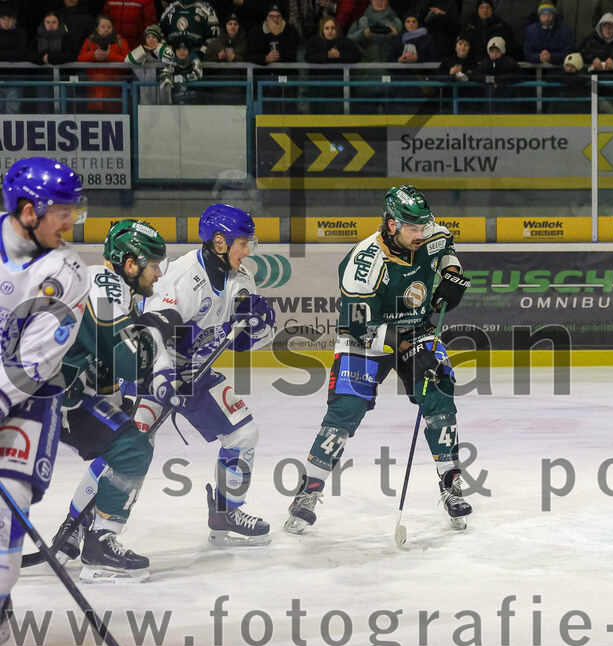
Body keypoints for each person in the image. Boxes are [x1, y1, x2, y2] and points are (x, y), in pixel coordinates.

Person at [284, 185, 473, 535]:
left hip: (416, 328)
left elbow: (447, 251)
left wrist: (451, 276)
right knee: (345, 410)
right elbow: (360, 325)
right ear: (391, 225)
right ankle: (308, 491)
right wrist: (406, 350)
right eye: (413, 228)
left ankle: (451, 482)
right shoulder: (363, 263)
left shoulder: (433, 235)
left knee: (439, 389)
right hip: (367, 337)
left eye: (424, 226)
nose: (421, 233)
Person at [129, 203, 275, 545]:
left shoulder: (242, 278)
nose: (248, 250)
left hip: (195, 372)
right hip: (150, 371)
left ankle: (225, 514)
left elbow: (241, 344)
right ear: (220, 242)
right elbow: (153, 332)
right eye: (243, 243)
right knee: (129, 448)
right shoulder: (181, 276)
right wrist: (164, 378)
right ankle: (86, 526)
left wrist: (257, 327)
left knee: (243, 434)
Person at [0, 157, 90, 646]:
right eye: (62, 211)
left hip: (27, 401)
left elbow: (35, 361)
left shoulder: (69, 271)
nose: (71, 221)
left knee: (7, 506)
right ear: (29, 210)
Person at [49, 220, 168, 583]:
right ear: (130, 265)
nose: (159, 274)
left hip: (57, 389)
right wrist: (155, 334)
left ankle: (76, 529)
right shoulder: (105, 284)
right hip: (49, 395)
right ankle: (100, 544)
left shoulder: (104, 285)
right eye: (153, 265)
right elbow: (127, 359)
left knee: (118, 442)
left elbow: (98, 355)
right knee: (131, 446)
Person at [77, 13, 131, 113]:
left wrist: (109, 56)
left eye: (109, 27)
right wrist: (93, 55)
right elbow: (80, 59)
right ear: (97, 29)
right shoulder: (89, 42)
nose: (106, 29)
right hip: (93, 93)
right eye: (103, 27)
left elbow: (128, 62)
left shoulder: (121, 42)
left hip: (115, 94)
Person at [523, 1, 574, 66]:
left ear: (554, 16)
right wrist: (538, 57)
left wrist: (551, 57)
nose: (547, 18)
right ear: (539, 16)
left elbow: (568, 54)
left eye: (550, 14)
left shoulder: (565, 31)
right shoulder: (530, 30)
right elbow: (527, 53)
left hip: (557, 69)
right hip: (534, 69)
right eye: (543, 14)